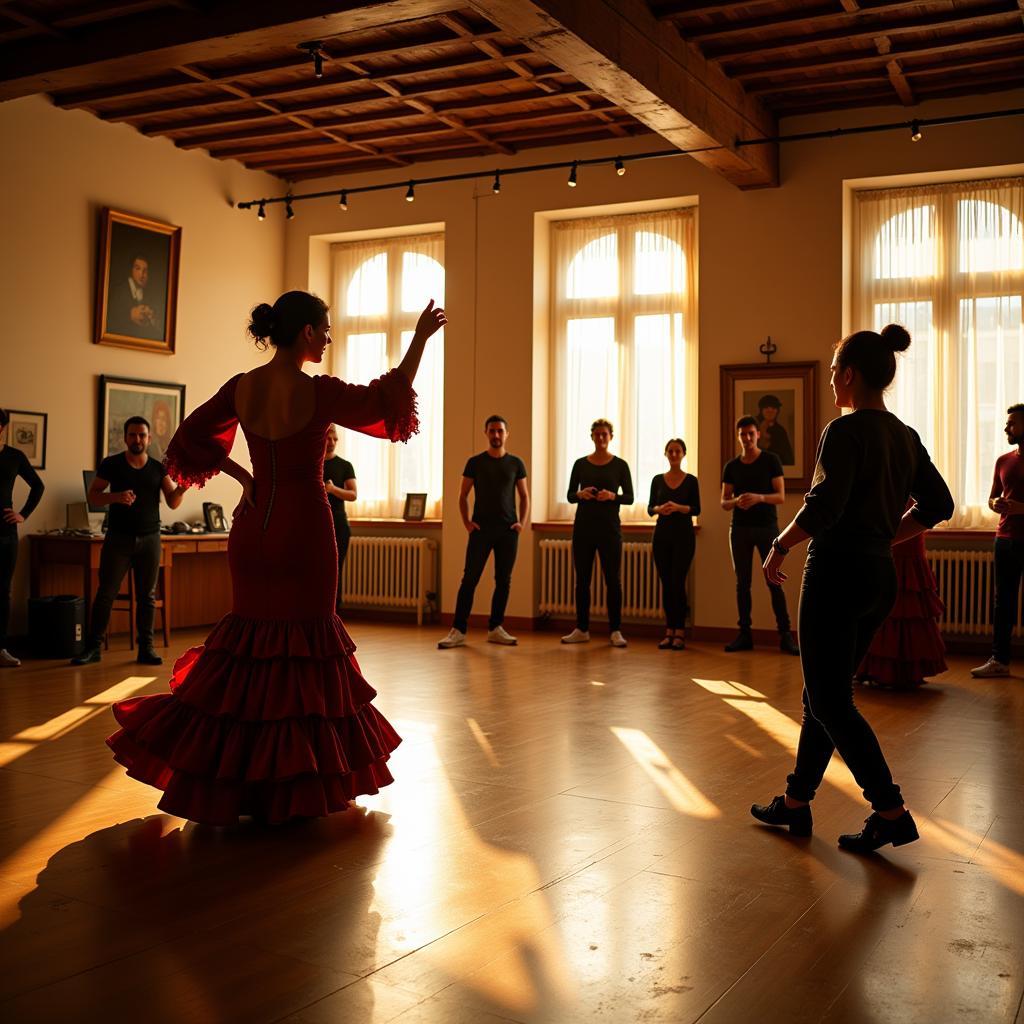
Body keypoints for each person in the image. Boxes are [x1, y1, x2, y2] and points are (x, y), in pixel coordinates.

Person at [106, 291, 446, 825]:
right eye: (326, 328)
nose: (330, 337)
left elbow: (189, 437)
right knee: (304, 651)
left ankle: (235, 777)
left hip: (252, 529)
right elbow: (387, 402)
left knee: (249, 649)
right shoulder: (318, 392)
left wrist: (246, 478)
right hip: (305, 529)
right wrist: (420, 340)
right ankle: (294, 783)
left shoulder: (243, 387)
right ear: (306, 333)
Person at [752, 323, 953, 853]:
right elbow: (939, 505)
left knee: (830, 700)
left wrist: (780, 545)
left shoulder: (842, 432)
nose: (832, 383)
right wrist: (886, 537)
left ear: (849, 374)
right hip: (876, 579)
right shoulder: (904, 436)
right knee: (824, 694)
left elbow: (825, 506)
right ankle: (797, 803)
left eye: (835, 372)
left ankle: (890, 809)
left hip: (836, 573)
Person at [71, 417, 189, 667]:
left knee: (146, 596)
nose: (138, 439)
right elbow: (93, 496)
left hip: (150, 539)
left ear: (148, 438)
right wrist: (116, 497)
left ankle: (146, 649)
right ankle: (93, 648)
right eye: (133, 435)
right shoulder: (112, 465)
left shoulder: (158, 468)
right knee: (106, 594)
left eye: (142, 435)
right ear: (125, 438)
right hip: (118, 538)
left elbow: (173, 501)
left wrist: (184, 487)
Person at [438, 415, 529, 649]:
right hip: (481, 530)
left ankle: (495, 628)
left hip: (508, 531)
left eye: (500, 431)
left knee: (503, 580)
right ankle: (458, 630)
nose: (496, 435)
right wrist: (467, 522)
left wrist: (521, 523)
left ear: (507, 434)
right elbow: (462, 495)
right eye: (492, 431)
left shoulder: (516, 463)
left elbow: (524, 495)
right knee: (470, 579)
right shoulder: (475, 462)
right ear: (486, 433)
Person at [721, 416, 800, 655]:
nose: (747, 438)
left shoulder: (771, 460)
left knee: (772, 581)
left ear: (757, 435)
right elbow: (724, 502)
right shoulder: (732, 466)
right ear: (738, 437)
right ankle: (745, 634)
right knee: (742, 584)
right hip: (740, 529)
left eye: (751, 434)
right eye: (743, 434)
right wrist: (737, 500)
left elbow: (781, 496)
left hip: (767, 528)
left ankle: (785, 636)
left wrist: (759, 498)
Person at [855, 508, 947, 690]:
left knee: (904, 601)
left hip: (905, 532)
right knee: (883, 599)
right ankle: (871, 667)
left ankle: (902, 669)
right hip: (884, 528)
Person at [562, 419, 633, 647]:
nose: (601, 438)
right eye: (597, 434)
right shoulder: (580, 464)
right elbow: (570, 495)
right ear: (591, 437)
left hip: (610, 530)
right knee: (582, 581)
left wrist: (612, 496)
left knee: (613, 580)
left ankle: (615, 630)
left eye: (605, 434)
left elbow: (630, 497)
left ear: (611, 436)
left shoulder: (620, 465)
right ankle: (582, 628)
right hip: (583, 529)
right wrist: (580, 494)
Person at [971, 403, 1024, 678]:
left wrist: (1021, 509)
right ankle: (999, 660)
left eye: (1013, 423)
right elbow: (992, 498)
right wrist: (995, 503)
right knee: (1002, 602)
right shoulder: (1003, 460)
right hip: (1004, 539)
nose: (1007, 427)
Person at [0, 408, 45, 668]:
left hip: (5, 534)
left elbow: (38, 486)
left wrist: (23, 515)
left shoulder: (14, 457)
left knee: (2, 592)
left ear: (3, 427)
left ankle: (1, 648)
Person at [647, 438, 700, 650]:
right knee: (666, 583)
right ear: (665, 454)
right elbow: (651, 508)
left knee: (678, 582)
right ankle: (669, 630)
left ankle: (680, 631)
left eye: (678, 451)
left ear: (684, 454)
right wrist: (660, 509)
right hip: (662, 536)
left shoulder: (691, 480)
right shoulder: (657, 480)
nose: (674, 454)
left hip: (684, 536)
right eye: (670, 451)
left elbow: (697, 509)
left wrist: (678, 507)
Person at [323, 425, 356, 611]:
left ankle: (334, 611)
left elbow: (353, 494)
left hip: (339, 525)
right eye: (328, 438)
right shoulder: (312, 464)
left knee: (336, 570)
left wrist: (333, 489)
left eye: (335, 439)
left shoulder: (344, 465)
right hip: (316, 525)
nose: (332, 443)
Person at [108, 254, 162, 339]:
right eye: (138, 269)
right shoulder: (118, 290)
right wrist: (129, 315)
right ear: (131, 270)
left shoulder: (150, 295)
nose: (142, 274)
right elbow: (109, 318)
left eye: (145, 271)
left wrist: (152, 320)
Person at [756, 394, 794, 464]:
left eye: (773, 408)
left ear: (777, 411)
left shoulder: (780, 431)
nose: (770, 410)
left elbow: (787, 456)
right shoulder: (754, 428)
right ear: (761, 410)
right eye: (766, 407)